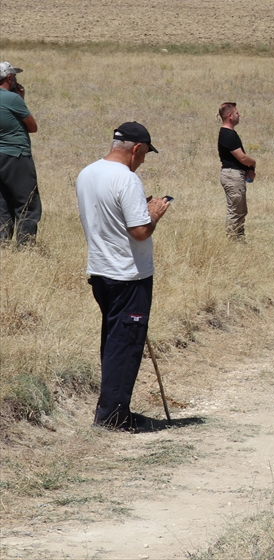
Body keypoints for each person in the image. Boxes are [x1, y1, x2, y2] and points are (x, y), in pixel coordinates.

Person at [76, 122, 172, 430]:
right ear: (137, 149)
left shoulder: (87, 173)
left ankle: (111, 409)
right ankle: (114, 418)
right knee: (126, 344)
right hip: (129, 275)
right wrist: (154, 212)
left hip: (101, 270)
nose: (143, 161)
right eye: (144, 155)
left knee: (113, 340)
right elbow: (140, 231)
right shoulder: (127, 179)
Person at [0, 61, 41, 247]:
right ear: (9, 77)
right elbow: (32, 127)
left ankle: (3, 243)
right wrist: (20, 99)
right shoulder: (12, 99)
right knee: (27, 203)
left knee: (3, 203)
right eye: (14, 76)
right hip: (16, 155)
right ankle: (26, 246)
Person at [217, 102, 256, 240]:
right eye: (237, 113)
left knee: (240, 209)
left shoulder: (230, 133)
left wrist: (249, 168)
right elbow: (242, 157)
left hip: (235, 175)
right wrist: (253, 163)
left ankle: (239, 237)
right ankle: (233, 240)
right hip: (232, 175)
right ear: (230, 115)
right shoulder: (227, 134)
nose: (239, 115)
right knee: (235, 210)